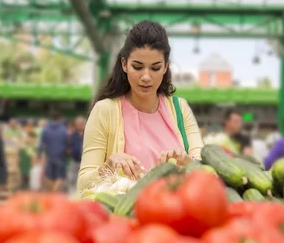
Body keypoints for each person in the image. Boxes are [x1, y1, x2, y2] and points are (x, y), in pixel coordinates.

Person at [78, 20, 203, 192]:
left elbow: (207, 171)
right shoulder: (105, 111)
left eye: (155, 68)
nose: (146, 77)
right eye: (137, 67)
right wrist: (109, 165)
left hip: (177, 215)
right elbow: (83, 185)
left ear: (166, 67)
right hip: (124, 217)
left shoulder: (180, 109)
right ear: (124, 64)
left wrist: (188, 161)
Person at [38, 110, 68, 192]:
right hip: (60, 157)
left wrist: (39, 155)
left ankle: (52, 193)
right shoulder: (63, 129)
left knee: (50, 177)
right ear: (60, 118)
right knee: (60, 177)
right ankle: (55, 192)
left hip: (50, 157)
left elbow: (41, 144)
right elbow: (67, 143)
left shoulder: (46, 129)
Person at [68, 116, 85, 191]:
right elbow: (69, 145)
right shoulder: (73, 135)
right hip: (74, 160)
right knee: (71, 178)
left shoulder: (87, 133)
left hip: (84, 162)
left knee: (83, 180)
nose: (80, 125)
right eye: (78, 124)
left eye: (81, 123)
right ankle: (72, 195)